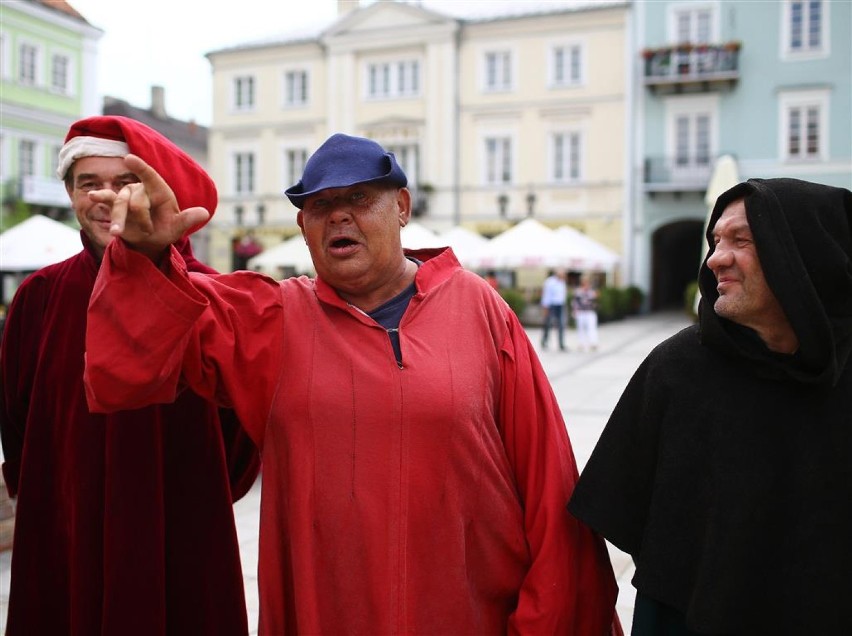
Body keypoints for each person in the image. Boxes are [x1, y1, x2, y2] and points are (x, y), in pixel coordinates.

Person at [82, 133, 621, 634]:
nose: (338, 213)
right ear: (303, 227)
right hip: (329, 614)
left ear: (403, 208)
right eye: (319, 204)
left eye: (361, 198)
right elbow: (128, 371)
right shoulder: (270, 318)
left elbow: (547, 478)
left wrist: (547, 616)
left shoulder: (478, 306)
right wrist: (149, 257)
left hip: (472, 611)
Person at [0, 116, 260, 636]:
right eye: (87, 183)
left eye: (124, 182)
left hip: (178, 520)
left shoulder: (208, 293)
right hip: (68, 523)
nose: (105, 197)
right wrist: (55, 498)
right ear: (70, 194)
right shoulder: (40, 296)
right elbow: (19, 421)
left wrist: (198, 496)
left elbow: (243, 426)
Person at [568, 178, 852, 634]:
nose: (716, 257)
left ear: (804, 251)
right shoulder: (678, 368)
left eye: (742, 239)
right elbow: (616, 511)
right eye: (715, 240)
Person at [540, 269, 568, 351]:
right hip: (551, 305)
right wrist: (545, 307)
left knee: (561, 325)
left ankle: (561, 343)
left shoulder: (562, 282)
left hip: (560, 305)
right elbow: (546, 295)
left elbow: (563, 295)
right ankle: (544, 341)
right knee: (548, 324)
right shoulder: (550, 282)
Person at [572, 277, 599, 352]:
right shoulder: (578, 292)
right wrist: (575, 311)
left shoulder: (592, 292)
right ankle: (581, 343)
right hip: (581, 312)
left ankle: (593, 343)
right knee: (581, 329)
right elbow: (575, 302)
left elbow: (595, 302)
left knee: (592, 328)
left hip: (590, 312)